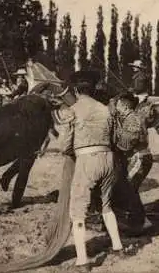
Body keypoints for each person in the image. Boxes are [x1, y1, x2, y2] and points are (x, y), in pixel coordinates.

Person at [52, 71, 134, 270]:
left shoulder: (72, 109)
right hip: (108, 159)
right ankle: (118, 248)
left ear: (77, 90)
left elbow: (64, 146)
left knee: (78, 210)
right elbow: (116, 138)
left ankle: (82, 261)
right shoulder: (105, 109)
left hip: (87, 160)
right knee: (106, 205)